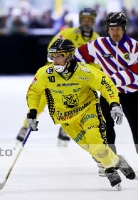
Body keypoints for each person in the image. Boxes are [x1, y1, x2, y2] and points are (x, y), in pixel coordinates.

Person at [26, 38, 136, 188]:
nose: (55, 60)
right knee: (91, 148)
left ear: (70, 56)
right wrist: (32, 112)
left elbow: (106, 84)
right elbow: (34, 92)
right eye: (53, 56)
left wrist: (114, 104)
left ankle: (110, 169)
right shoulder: (45, 73)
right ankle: (117, 160)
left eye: (59, 56)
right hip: (65, 118)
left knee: (94, 140)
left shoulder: (86, 71)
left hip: (88, 110)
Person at [16, 8, 99, 145]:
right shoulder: (67, 33)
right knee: (41, 101)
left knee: (72, 104)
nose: (86, 22)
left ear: (93, 21)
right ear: (79, 20)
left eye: (89, 20)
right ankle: (25, 126)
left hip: (76, 79)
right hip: (56, 74)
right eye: (84, 19)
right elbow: (51, 49)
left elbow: (97, 63)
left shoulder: (96, 40)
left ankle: (65, 129)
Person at [74, 12, 138, 157]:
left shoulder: (134, 47)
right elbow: (76, 57)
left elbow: (134, 73)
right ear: (107, 29)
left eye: (118, 29)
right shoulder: (98, 44)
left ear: (124, 28)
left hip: (132, 93)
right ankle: (110, 159)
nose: (115, 32)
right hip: (108, 92)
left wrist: (107, 80)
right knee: (104, 125)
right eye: (112, 29)